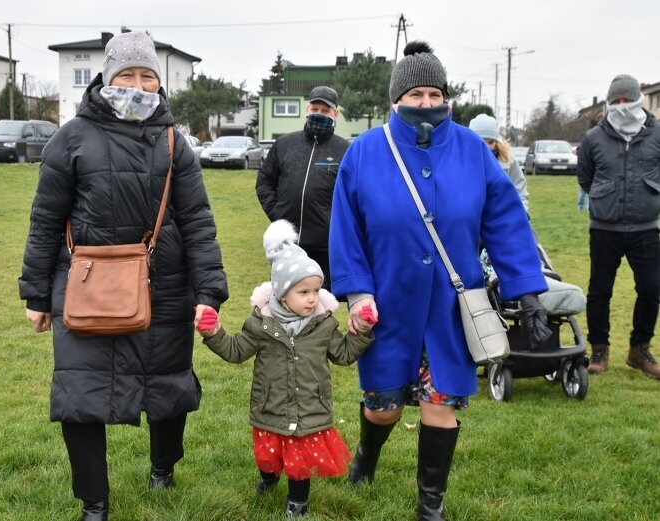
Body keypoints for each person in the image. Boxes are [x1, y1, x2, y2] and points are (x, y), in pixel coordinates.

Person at [328, 41, 550, 521]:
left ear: (446, 97)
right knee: (383, 407)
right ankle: (368, 452)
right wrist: (357, 292)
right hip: (387, 305)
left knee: (439, 404)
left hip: (450, 310)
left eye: (434, 93)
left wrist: (527, 292)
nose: (425, 103)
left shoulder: (473, 151)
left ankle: (431, 505)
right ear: (395, 99)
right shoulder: (365, 153)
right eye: (415, 94)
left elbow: (507, 222)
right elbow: (345, 230)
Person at [18, 31, 228, 521]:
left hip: (165, 287)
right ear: (107, 77)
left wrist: (210, 291)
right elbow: (46, 220)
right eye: (128, 74)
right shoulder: (70, 137)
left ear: (159, 80)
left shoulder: (175, 141)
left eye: (147, 75)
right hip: (86, 286)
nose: (138, 84)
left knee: (168, 387)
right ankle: (95, 501)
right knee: (78, 396)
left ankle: (164, 465)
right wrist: (35, 295)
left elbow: (197, 219)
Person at [196, 219, 374, 518]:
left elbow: (343, 354)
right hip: (272, 406)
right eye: (303, 292)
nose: (313, 298)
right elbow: (237, 351)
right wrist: (214, 334)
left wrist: (362, 332)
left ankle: (298, 503)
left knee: (301, 460)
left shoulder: (324, 324)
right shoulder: (260, 324)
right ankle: (268, 478)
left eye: (316, 290)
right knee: (270, 453)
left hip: (309, 408)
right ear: (281, 294)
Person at [577, 73, 660, 379]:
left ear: (638, 100)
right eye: (617, 101)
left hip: (645, 228)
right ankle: (599, 349)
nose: (622, 106)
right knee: (600, 290)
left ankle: (639, 349)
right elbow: (585, 177)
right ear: (609, 103)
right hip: (605, 228)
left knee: (652, 288)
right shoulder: (593, 138)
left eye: (627, 100)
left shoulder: (657, 134)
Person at [255, 86, 350, 290]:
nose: (319, 114)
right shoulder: (285, 144)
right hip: (286, 245)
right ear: (307, 110)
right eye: (315, 109)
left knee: (319, 305)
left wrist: (335, 224)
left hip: (325, 246)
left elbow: (354, 195)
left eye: (325, 111)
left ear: (336, 114)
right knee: (285, 300)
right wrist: (277, 214)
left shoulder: (346, 150)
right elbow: (264, 181)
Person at [468, 113, 530, 212]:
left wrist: (521, 215)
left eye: (490, 142)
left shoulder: (509, 162)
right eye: (481, 141)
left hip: (504, 221)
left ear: (496, 142)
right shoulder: (461, 163)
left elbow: (521, 193)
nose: (486, 147)